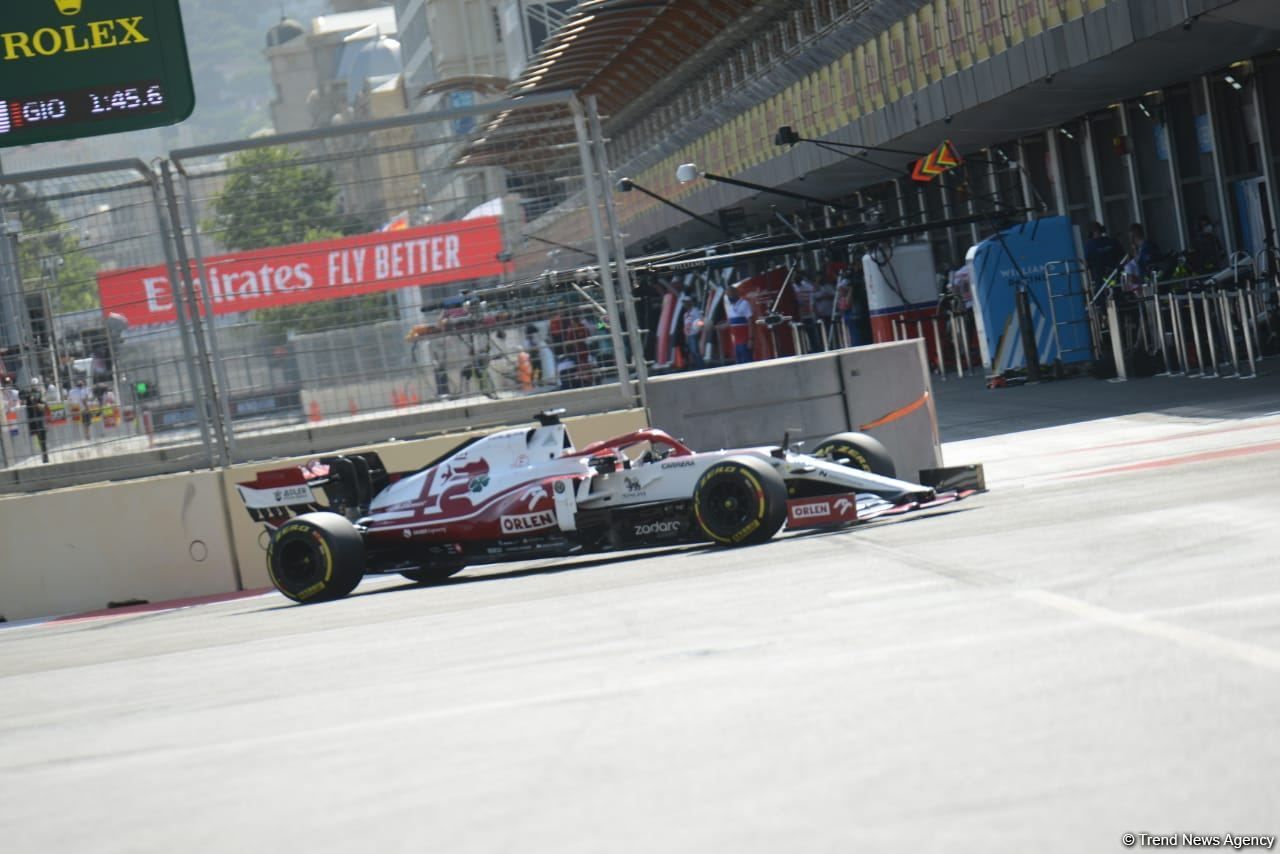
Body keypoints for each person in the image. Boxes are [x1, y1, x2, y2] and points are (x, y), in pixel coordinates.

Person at [1084, 222, 1125, 288]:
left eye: (1097, 230)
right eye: (1095, 230)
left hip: (1112, 274)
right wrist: (1087, 281)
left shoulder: (1111, 241)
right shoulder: (1090, 245)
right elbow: (1086, 262)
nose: (1097, 232)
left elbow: (1122, 256)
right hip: (1103, 275)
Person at [21, 378, 49, 463]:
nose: (35, 386)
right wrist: (28, 397)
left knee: (43, 438)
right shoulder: (29, 394)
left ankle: (45, 455)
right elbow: (22, 398)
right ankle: (42, 454)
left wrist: (36, 403)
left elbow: (43, 406)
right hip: (33, 420)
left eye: (35, 384)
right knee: (38, 438)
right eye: (33, 385)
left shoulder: (41, 394)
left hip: (40, 419)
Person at [1124, 223, 1160, 290]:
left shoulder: (1146, 248)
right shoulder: (1143, 248)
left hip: (1148, 286)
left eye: (1130, 238)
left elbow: (1145, 267)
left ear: (1133, 237)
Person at [726, 282, 754, 364]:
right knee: (739, 363)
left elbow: (750, 322)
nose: (729, 297)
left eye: (730, 295)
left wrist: (751, 339)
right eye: (728, 296)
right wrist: (713, 327)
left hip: (745, 341)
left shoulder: (744, 304)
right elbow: (729, 323)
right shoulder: (730, 307)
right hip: (736, 342)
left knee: (747, 362)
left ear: (735, 294)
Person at [791, 273, 818, 353]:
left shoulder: (806, 286)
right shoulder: (793, 288)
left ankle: (814, 350)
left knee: (811, 334)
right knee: (800, 335)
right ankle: (803, 350)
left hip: (808, 314)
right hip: (799, 316)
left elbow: (812, 300)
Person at [681, 295, 705, 370]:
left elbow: (701, 321)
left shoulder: (695, 311)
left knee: (695, 351)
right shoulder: (685, 314)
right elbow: (685, 325)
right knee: (692, 352)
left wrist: (698, 330)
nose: (684, 304)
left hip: (694, 334)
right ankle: (697, 366)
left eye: (685, 302)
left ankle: (701, 366)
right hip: (688, 335)